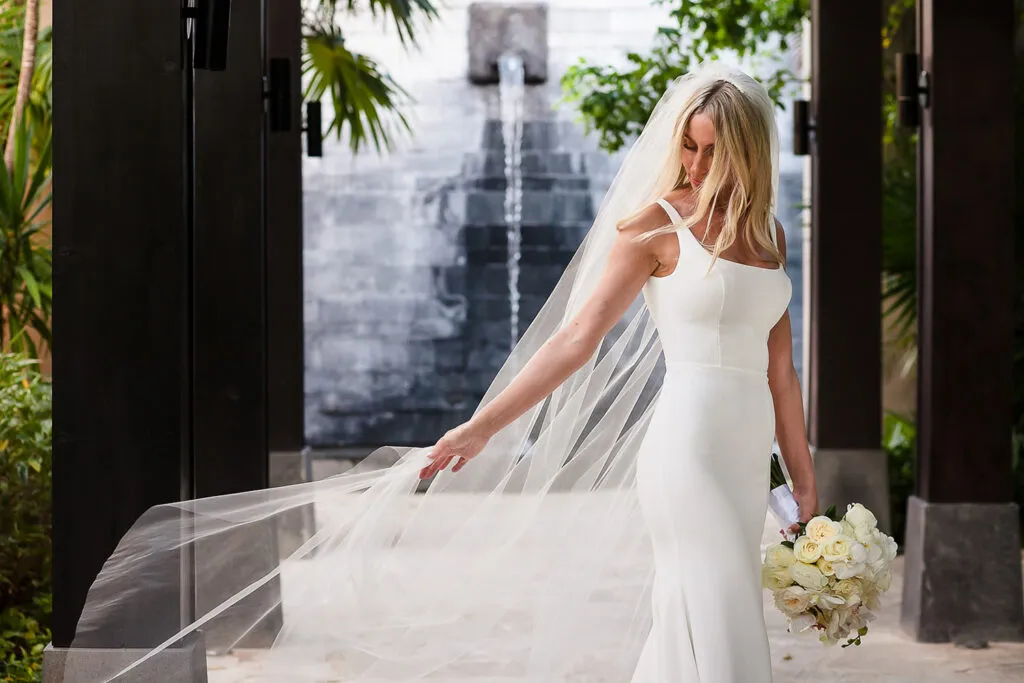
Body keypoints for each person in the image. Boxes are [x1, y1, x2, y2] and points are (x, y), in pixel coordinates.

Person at [63, 63, 817, 683]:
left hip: (745, 449)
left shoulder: (769, 234)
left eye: (713, 150)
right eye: (690, 146)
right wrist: (481, 426)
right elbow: (573, 340)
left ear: (749, 151)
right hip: (685, 447)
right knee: (711, 595)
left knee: (715, 610)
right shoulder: (656, 226)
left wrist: (807, 490)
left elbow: (782, 376)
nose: (696, 164)